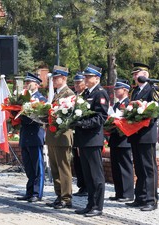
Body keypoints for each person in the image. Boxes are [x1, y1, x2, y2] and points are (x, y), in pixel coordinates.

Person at [70, 64, 109, 217]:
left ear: (97, 78)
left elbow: (101, 117)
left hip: (92, 139)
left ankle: (97, 206)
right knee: (87, 175)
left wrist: (82, 124)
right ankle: (90, 204)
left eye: (88, 77)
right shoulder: (85, 93)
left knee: (96, 175)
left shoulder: (100, 93)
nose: (85, 79)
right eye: (85, 76)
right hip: (83, 139)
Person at [126, 62, 159, 211]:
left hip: (146, 133)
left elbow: (155, 112)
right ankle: (140, 197)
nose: (134, 76)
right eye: (133, 74)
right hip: (136, 134)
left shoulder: (152, 90)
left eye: (136, 74)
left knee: (149, 168)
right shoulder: (134, 92)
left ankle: (151, 200)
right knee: (139, 167)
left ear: (145, 75)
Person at [45, 66, 75, 209]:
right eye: (53, 78)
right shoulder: (57, 94)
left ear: (64, 78)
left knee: (64, 168)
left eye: (56, 78)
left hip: (62, 136)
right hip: (53, 136)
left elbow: (68, 115)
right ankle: (59, 195)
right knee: (55, 168)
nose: (54, 81)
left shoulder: (68, 93)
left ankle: (66, 197)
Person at [16, 72, 47, 203]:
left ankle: (36, 192)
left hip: (35, 136)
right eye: (26, 82)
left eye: (30, 82)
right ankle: (29, 192)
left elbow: (43, 117)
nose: (27, 84)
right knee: (28, 167)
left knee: (37, 167)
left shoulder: (41, 99)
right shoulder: (23, 98)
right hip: (25, 136)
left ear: (37, 85)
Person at [108, 79, 134, 202]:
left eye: (117, 89)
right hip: (114, 138)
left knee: (125, 166)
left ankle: (128, 193)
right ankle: (119, 192)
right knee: (116, 167)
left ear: (125, 90)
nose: (115, 91)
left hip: (124, 139)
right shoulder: (116, 104)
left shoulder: (129, 103)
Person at [72, 72, 88, 197]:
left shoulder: (86, 96)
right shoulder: (75, 96)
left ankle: (86, 186)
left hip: (84, 132)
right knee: (77, 161)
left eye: (79, 82)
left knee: (85, 162)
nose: (76, 85)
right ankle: (82, 185)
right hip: (75, 133)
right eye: (75, 83)